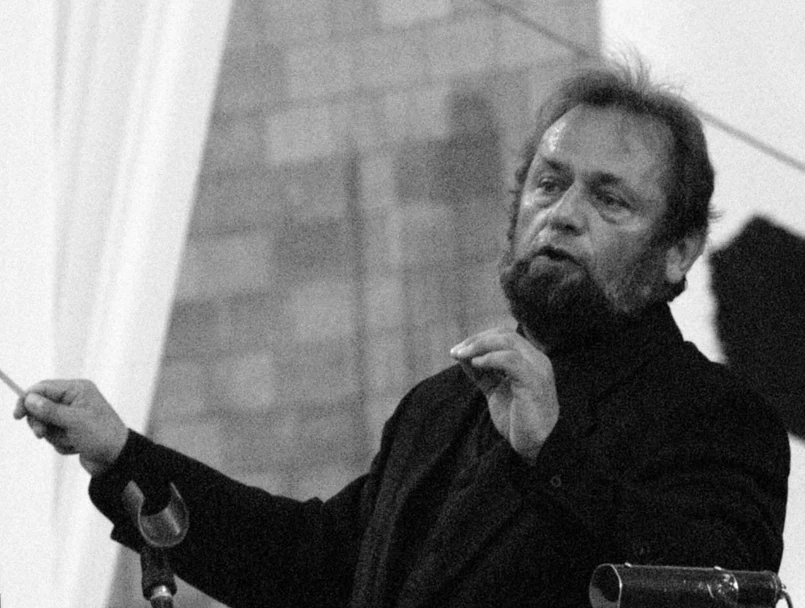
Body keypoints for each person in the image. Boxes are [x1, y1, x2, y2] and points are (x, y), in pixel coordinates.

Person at [14, 60, 789, 608]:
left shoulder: (716, 417)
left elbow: (712, 591)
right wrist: (122, 456)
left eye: (609, 200)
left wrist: (553, 454)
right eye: (548, 184)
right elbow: (310, 566)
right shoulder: (440, 406)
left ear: (677, 252)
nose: (562, 214)